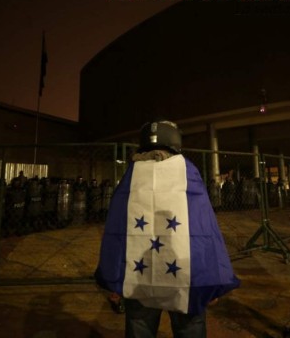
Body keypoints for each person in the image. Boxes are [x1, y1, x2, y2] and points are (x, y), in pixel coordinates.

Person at [95, 120, 240, 338]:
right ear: (175, 141)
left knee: (139, 324)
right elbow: (204, 231)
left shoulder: (130, 179)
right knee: (189, 326)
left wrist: (113, 276)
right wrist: (209, 279)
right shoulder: (188, 174)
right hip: (184, 277)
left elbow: (116, 232)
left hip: (137, 277)